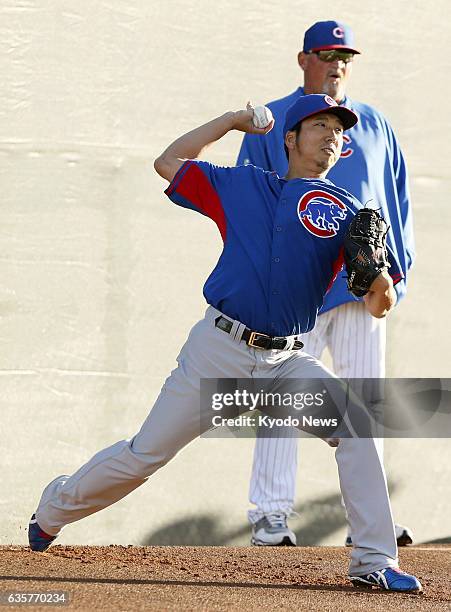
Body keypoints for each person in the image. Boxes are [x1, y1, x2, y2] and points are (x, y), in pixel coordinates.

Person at [28, 94, 421, 592]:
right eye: (318, 124)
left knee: (356, 428)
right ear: (289, 139)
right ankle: (52, 510)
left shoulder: (349, 215)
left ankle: (373, 561)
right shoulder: (244, 186)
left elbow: (380, 306)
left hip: (286, 362)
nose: (330, 135)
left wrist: (375, 273)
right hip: (220, 353)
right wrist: (232, 121)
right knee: (144, 455)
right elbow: (167, 162)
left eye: (338, 130)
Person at [237, 20, 415, 549]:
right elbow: (251, 200)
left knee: (364, 404)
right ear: (303, 59)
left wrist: (395, 276)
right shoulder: (274, 121)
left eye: (345, 55)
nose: (337, 63)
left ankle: (372, 517)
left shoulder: (376, 124)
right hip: (295, 289)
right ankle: (270, 516)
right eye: (326, 53)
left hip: (360, 288)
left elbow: (395, 202)